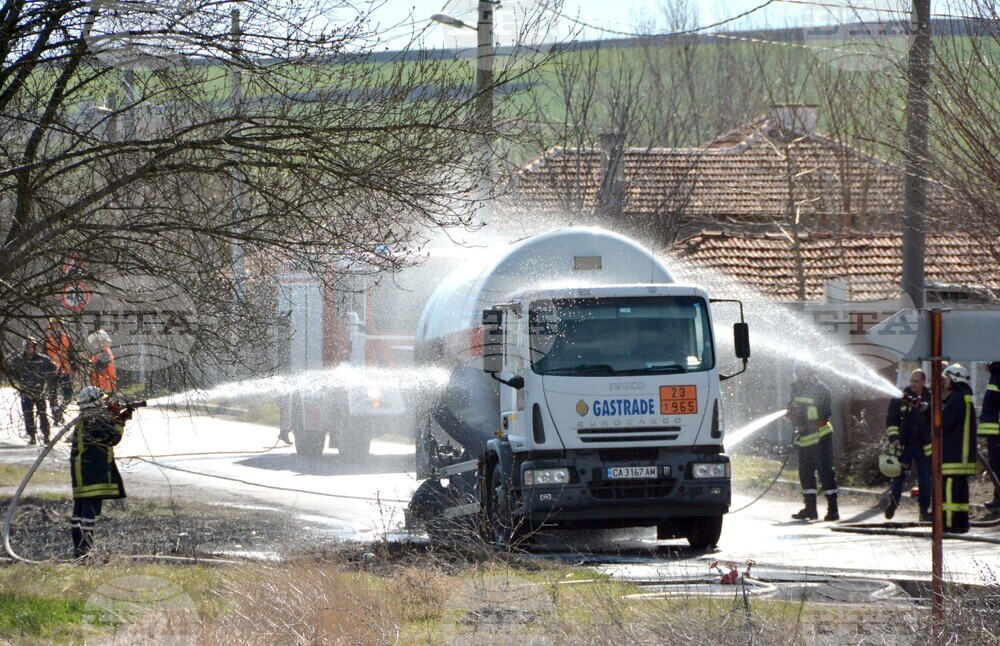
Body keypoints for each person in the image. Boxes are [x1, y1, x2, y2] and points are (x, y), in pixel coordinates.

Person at [69, 386, 129, 560]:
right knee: (88, 514)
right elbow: (113, 438)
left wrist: (115, 418)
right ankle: (83, 552)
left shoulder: (87, 419)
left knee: (79, 513)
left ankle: (80, 551)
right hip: (92, 473)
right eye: (101, 400)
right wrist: (119, 422)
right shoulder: (95, 419)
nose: (104, 402)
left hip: (83, 472)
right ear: (95, 401)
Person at [786, 363, 840, 521]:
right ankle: (810, 509)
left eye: (804, 369)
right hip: (804, 438)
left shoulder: (821, 389)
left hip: (820, 437)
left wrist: (811, 424)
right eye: (799, 370)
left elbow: (825, 413)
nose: (801, 373)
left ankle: (833, 510)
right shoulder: (796, 388)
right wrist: (791, 413)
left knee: (825, 472)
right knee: (805, 473)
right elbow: (794, 407)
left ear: (811, 370)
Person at [884, 369, 933, 521]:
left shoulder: (930, 398)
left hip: (923, 447)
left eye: (916, 381)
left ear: (923, 382)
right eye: (911, 381)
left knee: (925, 480)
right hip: (904, 446)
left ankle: (924, 512)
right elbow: (891, 420)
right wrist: (894, 438)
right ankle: (892, 505)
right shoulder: (900, 397)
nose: (912, 384)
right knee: (898, 478)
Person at [941, 363, 977, 534]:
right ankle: (962, 523)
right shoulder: (966, 396)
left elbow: (945, 423)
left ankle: (948, 523)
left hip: (953, 454)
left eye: (946, 378)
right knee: (961, 489)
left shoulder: (956, 398)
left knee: (949, 487)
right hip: (964, 454)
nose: (944, 381)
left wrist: (934, 413)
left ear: (953, 378)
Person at [9, 336, 56, 445]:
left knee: (43, 415)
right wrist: (19, 380)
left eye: (31, 347)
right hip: (26, 392)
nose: (29, 349)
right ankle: (32, 436)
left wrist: (46, 380)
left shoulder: (43, 360)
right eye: (27, 347)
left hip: (39, 392)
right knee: (28, 415)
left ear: (35, 347)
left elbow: (53, 370)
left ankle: (46, 435)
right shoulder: (18, 360)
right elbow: (11, 371)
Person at [45, 317, 75, 423]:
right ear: (51, 327)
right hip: (52, 373)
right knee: (52, 396)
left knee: (68, 395)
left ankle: (59, 412)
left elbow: (73, 355)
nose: (56, 327)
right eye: (54, 325)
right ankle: (56, 416)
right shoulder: (47, 340)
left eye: (58, 325)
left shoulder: (67, 338)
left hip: (65, 371)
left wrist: (75, 370)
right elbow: (44, 357)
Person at [980, 361, 1000, 513]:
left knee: (997, 467)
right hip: (994, 432)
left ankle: (998, 500)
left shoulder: (998, 377)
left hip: (997, 432)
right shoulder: (995, 376)